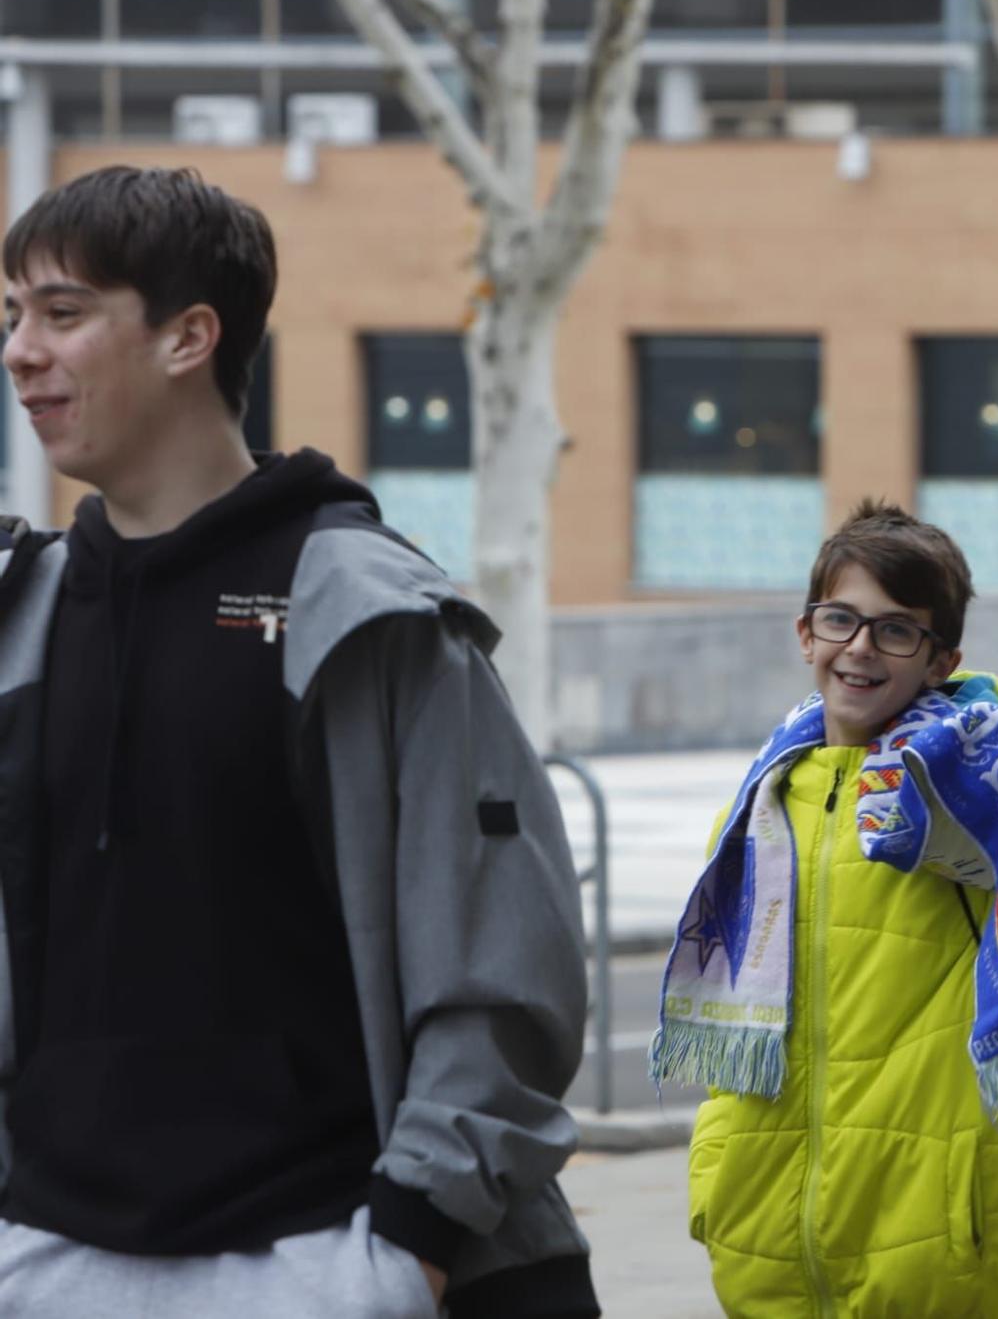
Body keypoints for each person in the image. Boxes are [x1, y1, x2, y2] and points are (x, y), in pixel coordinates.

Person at [0, 166, 597, 1317]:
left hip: (329, 1261)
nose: (22, 351)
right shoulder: (21, 618)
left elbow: (506, 959)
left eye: (63, 314)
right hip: (48, 1257)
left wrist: (403, 1252)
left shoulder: (368, 616)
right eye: (13, 317)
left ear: (189, 338)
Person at [659, 501, 998, 1317]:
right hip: (772, 1250)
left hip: (945, 1255)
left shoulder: (983, 790)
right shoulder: (761, 805)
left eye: (896, 630)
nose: (860, 647)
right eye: (841, 619)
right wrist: (718, 1172)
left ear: (941, 659)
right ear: (805, 633)